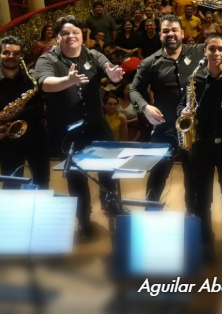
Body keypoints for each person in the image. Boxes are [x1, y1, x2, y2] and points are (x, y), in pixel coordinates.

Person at [34, 16, 126, 239]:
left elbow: (109, 69)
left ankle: (111, 203)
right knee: (76, 178)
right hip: (67, 130)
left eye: (75, 32)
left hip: (96, 124)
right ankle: (84, 221)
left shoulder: (93, 55)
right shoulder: (47, 59)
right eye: (65, 33)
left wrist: (113, 75)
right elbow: (44, 83)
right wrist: (68, 80)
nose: (71, 36)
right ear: (58, 37)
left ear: (82, 35)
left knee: (110, 167)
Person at [127, 15, 207, 209]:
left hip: (195, 126)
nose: (170, 34)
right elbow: (134, 89)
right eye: (166, 31)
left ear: (182, 33)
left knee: (193, 173)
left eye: (174, 30)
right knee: (158, 173)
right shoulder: (150, 62)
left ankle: (193, 213)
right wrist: (145, 107)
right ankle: (150, 212)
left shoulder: (198, 52)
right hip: (165, 125)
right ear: (160, 35)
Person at [180, 34, 222, 263]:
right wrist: (184, 112)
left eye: (220, 49)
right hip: (201, 145)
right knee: (202, 196)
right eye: (212, 49)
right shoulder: (193, 79)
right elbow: (181, 106)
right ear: (204, 51)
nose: (216, 53)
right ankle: (206, 239)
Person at [0, 36, 48, 190]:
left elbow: (43, 105)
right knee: (11, 183)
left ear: (21, 56)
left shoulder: (32, 78)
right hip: (7, 139)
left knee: (41, 181)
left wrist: (21, 111)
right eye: (6, 52)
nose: (11, 56)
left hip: (36, 135)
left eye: (16, 53)